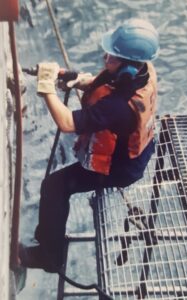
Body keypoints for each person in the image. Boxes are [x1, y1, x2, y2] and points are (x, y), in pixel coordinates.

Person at [19, 18, 159, 272]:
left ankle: (49, 256)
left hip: (119, 170)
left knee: (54, 186)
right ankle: (47, 233)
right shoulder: (144, 70)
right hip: (142, 150)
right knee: (56, 183)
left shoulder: (118, 108)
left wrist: (47, 87)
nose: (106, 59)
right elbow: (111, 84)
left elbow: (66, 123)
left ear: (129, 67)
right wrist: (81, 81)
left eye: (112, 58)